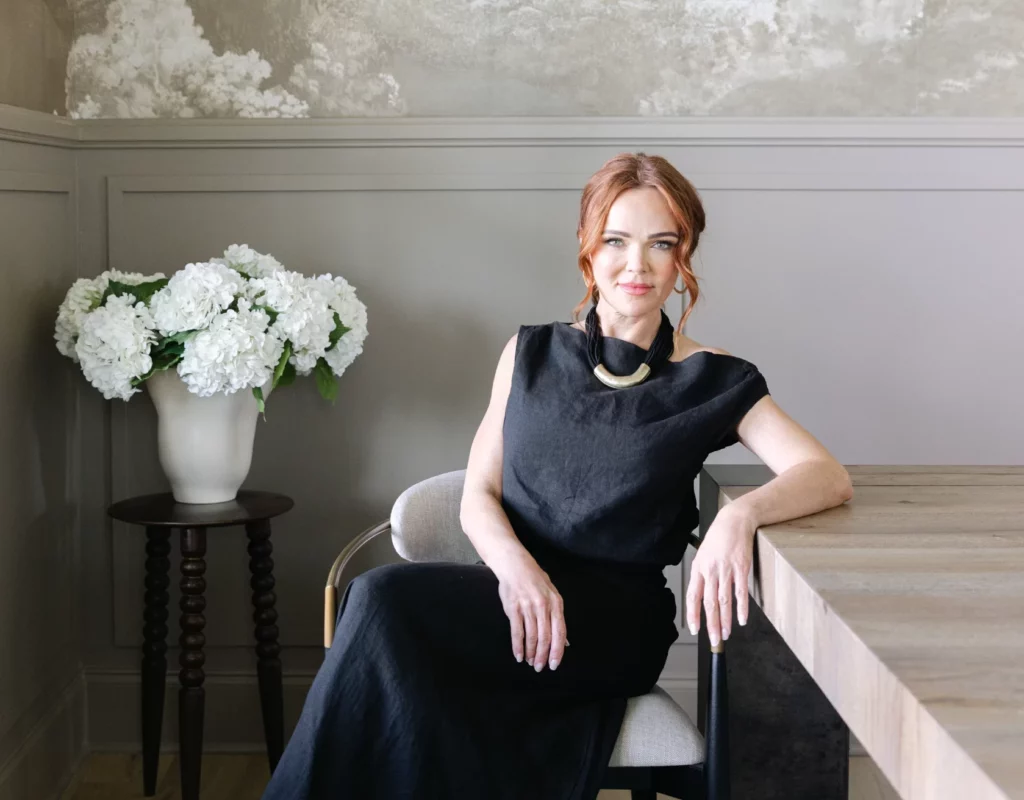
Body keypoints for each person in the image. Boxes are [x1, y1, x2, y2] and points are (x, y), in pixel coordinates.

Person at [261, 152, 853, 799]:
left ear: (684, 255)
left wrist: (740, 514)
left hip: (614, 624)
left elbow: (824, 474)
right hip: (516, 595)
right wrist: (517, 570)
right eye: (618, 241)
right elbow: (479, 495)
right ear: (587, 247)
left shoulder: (714, 379)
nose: (638, 264)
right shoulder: (529, 355)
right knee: (376, 612)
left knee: (379, 605)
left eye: (662, 243)